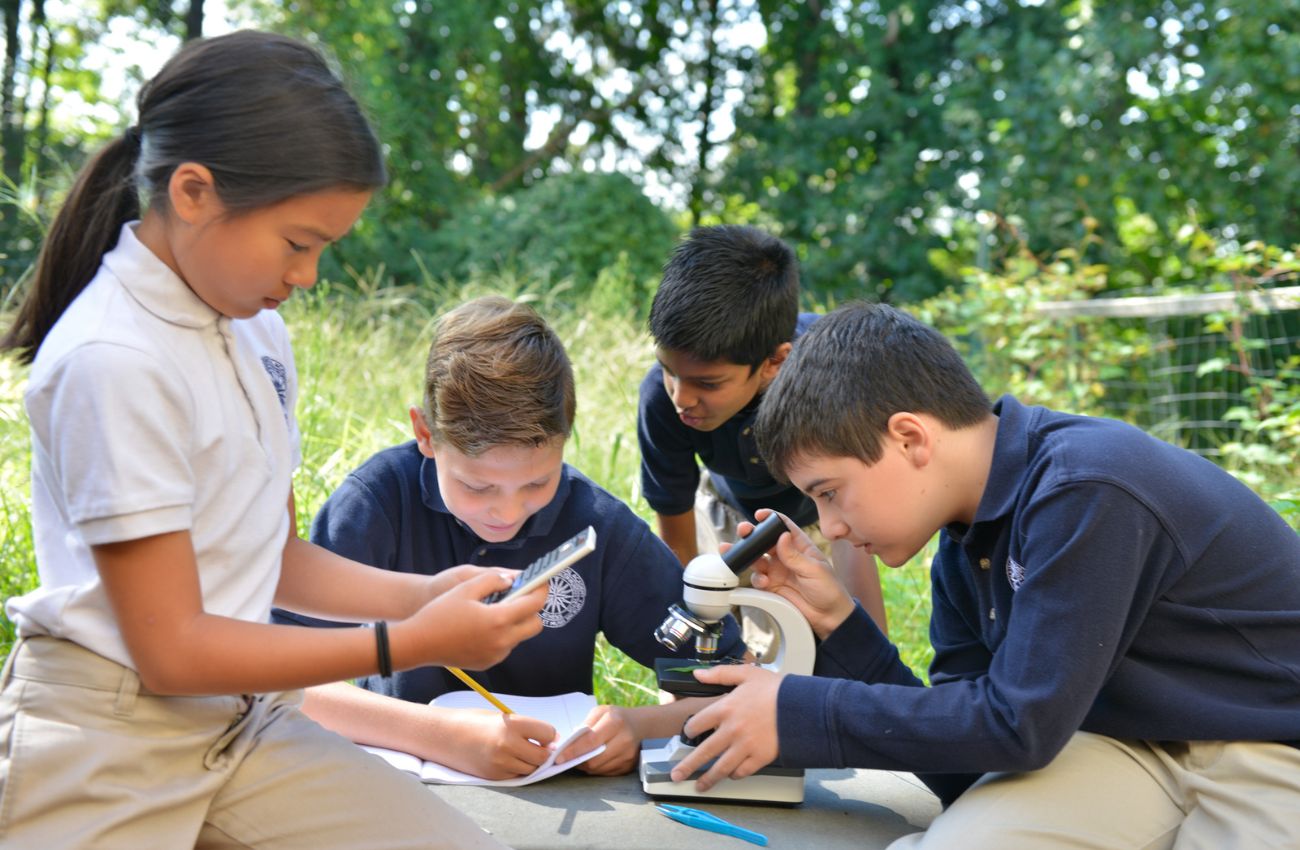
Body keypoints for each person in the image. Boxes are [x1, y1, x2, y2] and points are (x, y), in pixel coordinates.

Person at [0, 31, 546, 850]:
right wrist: (410, 641)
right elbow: (171, 651)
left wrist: (422, 594)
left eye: (326, 247)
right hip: (109, 734)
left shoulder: (254, 329)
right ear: (193, 193)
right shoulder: (112, 360)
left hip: (241, 724)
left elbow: (271, 553)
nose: (308, 276)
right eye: (298, 242)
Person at [666, 302, 1300, 848]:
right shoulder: (963, 550)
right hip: (1122, 743)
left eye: (830, 492)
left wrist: (799, 712)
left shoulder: (1086, 489)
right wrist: (837, 624)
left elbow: (1017, 726)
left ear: (910, 437)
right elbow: (968, 762)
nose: (829, 528)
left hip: (1266, 743)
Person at [273, 295, 742, 780]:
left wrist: (641, 727)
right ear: (426, 434)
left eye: (538, 483)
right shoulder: (374, 506)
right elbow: (279, 679)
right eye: (477, 486)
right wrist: (438, 734)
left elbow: (735, 683)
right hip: (402, 785)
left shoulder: (598, 526)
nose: (507, 511)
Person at [637, 224, 888, 638]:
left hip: (820, 522)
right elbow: (678, 542)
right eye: (668, 371)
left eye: (708, 383)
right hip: (722, 512)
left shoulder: (830, 385)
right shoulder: (660, 400)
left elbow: (850, 526)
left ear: (774, 361)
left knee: (814, 659)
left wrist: (876, 658)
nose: (681, 397)